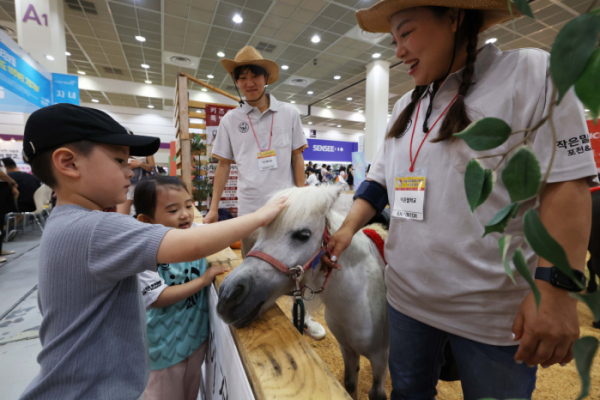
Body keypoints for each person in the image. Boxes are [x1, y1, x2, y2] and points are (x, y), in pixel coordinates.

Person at [323, 2, 597, 399]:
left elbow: (566, 185)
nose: (398, 50)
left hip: (491, 313)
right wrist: (347, 228)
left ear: (454, 18)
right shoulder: (406, 107)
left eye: (407, 32)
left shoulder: (529, 72)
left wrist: (555, 291)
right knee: (408, 394)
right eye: (394, 38)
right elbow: (378, 181)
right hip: (405, 300)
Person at [18, 103, 286, 400]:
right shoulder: (93, 229)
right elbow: (191, 243)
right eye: (119, 160)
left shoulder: (68, 222)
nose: (130, 169)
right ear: (68, 163)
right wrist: (265, 214)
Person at [205, 45, 327, 340]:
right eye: (242, 77)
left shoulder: (288, 113)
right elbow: (223, 166)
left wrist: (303, 199)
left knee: (298, 268)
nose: (248, 83)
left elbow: (298, 156)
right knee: (254, 270)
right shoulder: (230, 120)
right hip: (251, 211)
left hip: (287, 209)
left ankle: (304, 315)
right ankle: (256, 311)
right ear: (237, 82)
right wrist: (212, 208)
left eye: (254, 76)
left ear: (265, 78)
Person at [135, 176, 228, 400]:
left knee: (190, 393)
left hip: (195, 339)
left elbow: (223, 233)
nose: (185, 214)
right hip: (163, 348)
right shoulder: (143, 252)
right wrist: (203, 281)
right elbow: (158, 297)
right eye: (173, 210)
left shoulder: (193, 232)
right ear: (147, 220)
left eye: (188, 205)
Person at [117, 130, 156, 215]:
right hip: (125, 186)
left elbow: (153, 168)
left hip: (142, 186)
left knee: (144, 216)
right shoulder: (119, 151)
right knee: (121, 216)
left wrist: (140, 164)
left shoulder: (146, 150)